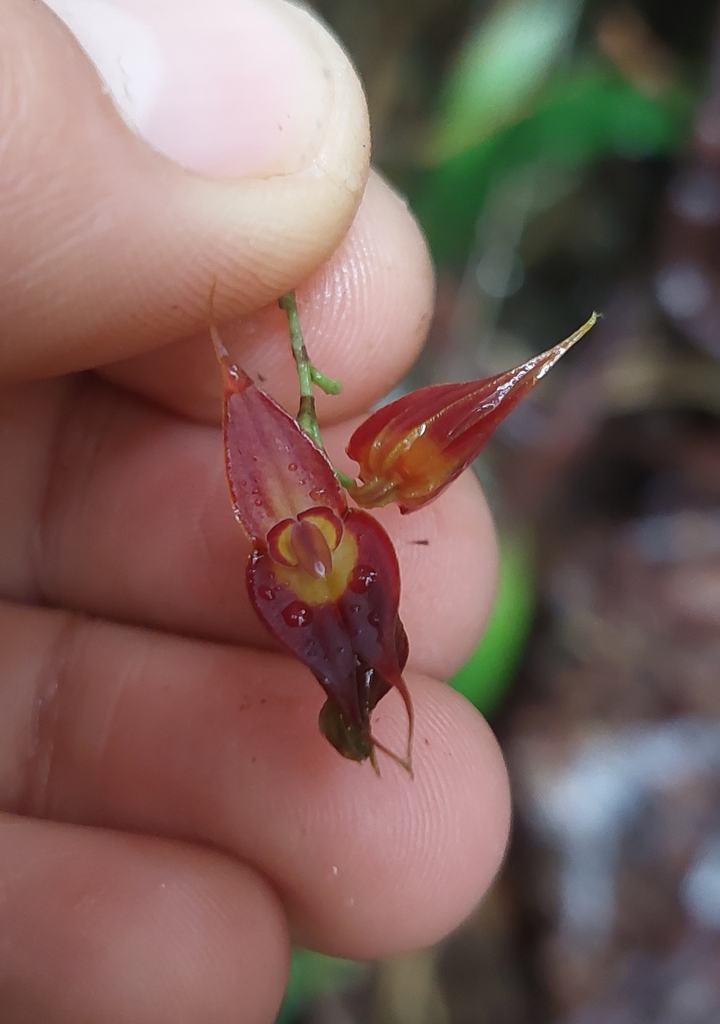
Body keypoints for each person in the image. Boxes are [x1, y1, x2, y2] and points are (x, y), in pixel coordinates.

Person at [0, 0, 510, 1019]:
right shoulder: (309, 475)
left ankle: (376, 709)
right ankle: (370, 710)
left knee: (377, 665)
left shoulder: (340, 492)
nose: (308, 519)